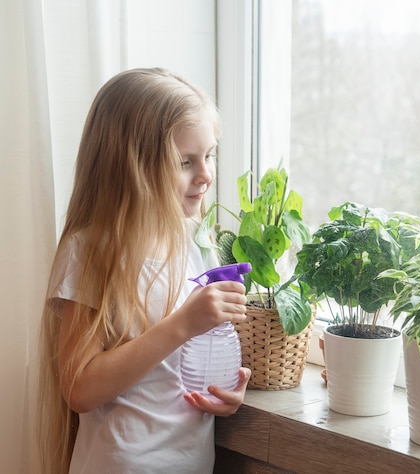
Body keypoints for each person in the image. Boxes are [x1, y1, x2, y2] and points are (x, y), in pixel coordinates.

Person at [36, 67, 251, 473]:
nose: (205, 174)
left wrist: (227, 391)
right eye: (185, 161)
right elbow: (80, 388)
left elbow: (181, 370)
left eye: (209, 155)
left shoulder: (195, 241)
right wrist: (183, 323)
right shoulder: (91, 251)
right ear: (130, 168)